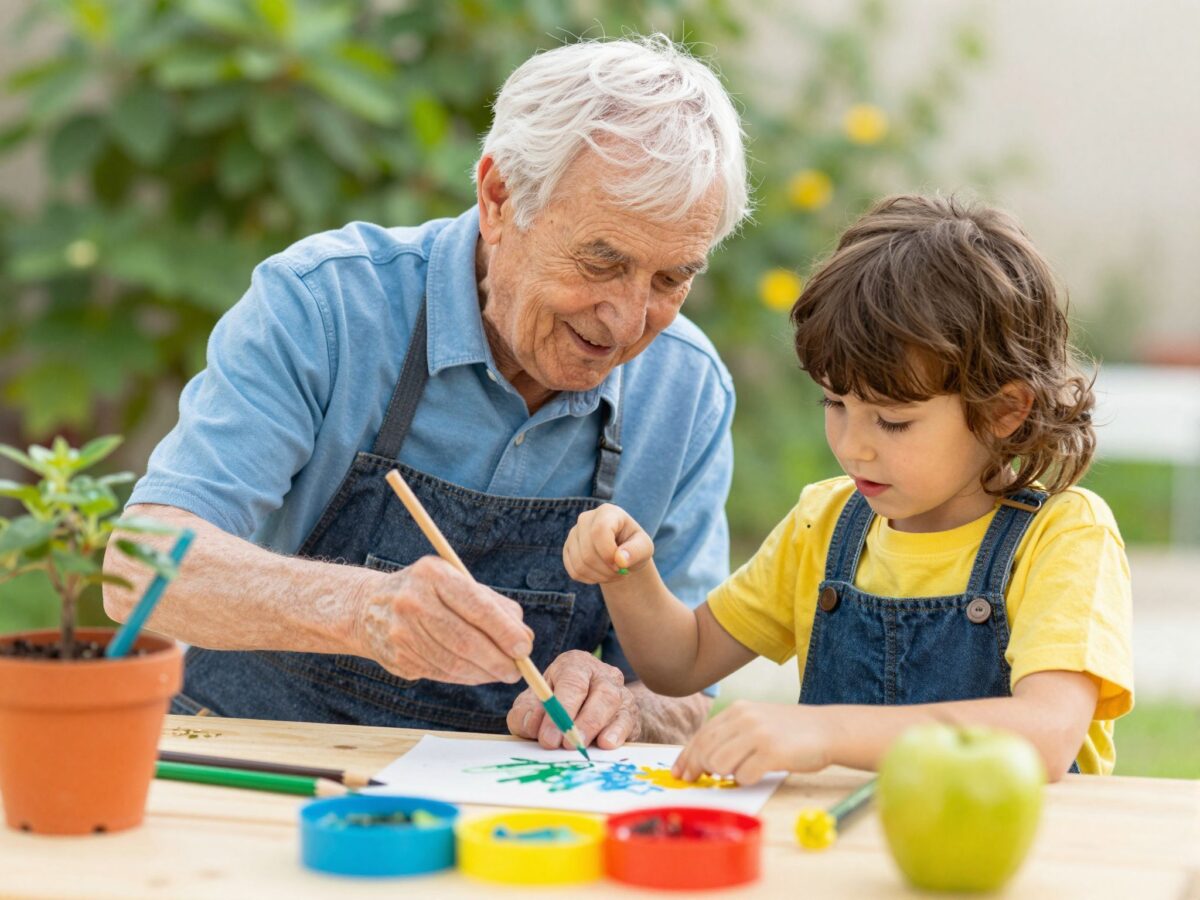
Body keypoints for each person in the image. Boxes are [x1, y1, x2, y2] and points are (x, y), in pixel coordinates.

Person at [103, 34, 750, 750]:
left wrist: (623, 704)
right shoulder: (325, 306)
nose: (629, 321)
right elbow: (142, 566)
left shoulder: (686, 389)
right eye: (603, 261)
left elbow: (684, 689)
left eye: (670, 280)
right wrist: (359, 610)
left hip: (495, 816)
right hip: (249, 760)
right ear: (499, 197)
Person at [562, 194, 1134, 781]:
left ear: (1004, 410)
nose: (853, 445)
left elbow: (1043, 735)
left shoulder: (1064, 538)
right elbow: (681, 662)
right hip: (840, 854)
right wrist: (626, 571)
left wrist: (827, 731)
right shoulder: (826, 521)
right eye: (835, 402)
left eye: (892, 420)